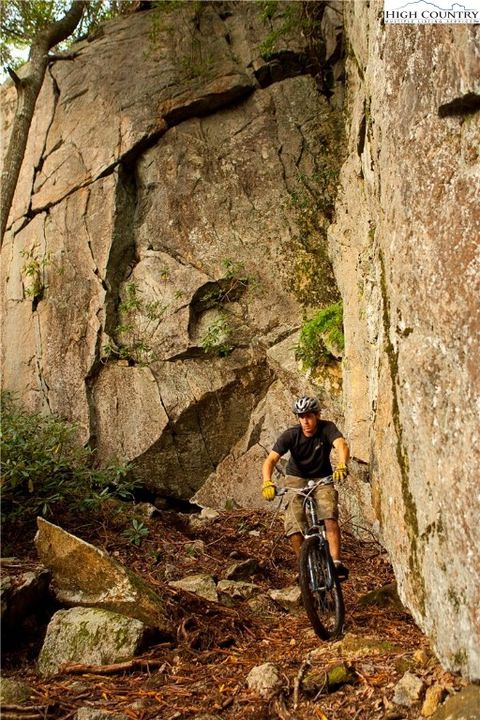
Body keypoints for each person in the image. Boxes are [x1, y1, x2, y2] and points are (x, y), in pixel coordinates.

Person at [261, 396, 350, 580]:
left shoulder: (327, 428)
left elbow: (341, 444)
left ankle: (336, 563)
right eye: (301, 417)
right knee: (294, 523)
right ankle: (304, 567)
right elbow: (271, 459)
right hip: (296, 478)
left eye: (309, 416)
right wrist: (267, 481)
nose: (305, 421)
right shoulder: (291, 434)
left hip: (322, 477)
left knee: (329, 514)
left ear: (317, 415)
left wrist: (342, 464)